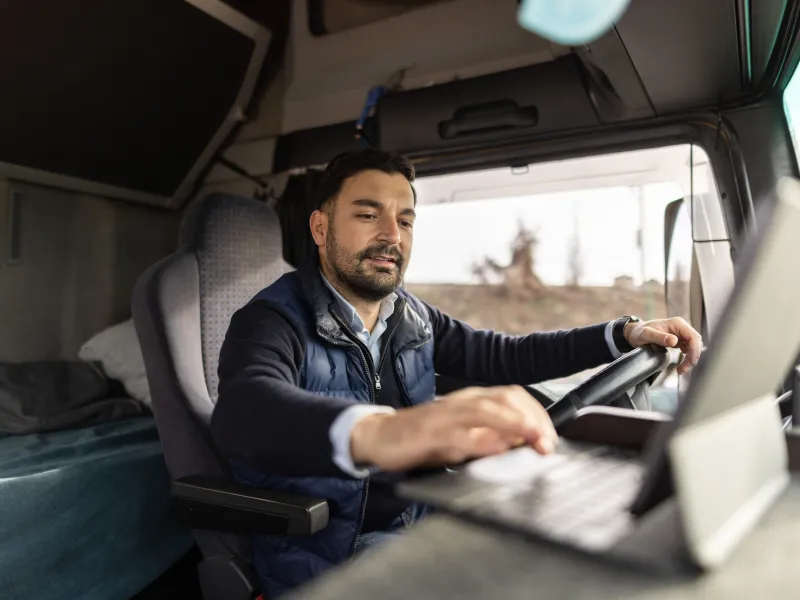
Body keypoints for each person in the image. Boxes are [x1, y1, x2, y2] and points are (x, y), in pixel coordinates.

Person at [210, 149, 703, 597]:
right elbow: (245, 411)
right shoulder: (271, 318)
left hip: (423, 511)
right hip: (334, 549)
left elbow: (504, 357)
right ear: (320, 229)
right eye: (367, 215)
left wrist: (623, 334)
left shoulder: (407, 314)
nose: (391, 236)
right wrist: (385, 429)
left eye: (405, 220)